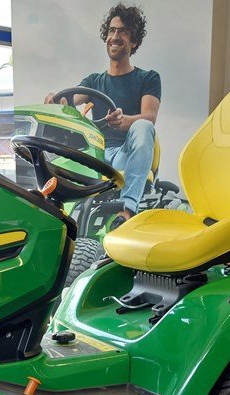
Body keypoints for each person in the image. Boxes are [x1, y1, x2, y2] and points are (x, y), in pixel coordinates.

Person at [45, 2, 161, 227]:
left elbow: (149, 117)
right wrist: (53, 99)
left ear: (134, 41)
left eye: (123, 32)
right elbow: (67, 101)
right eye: (112, 30)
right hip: (95, 154)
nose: (115, 36)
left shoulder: (148, 78)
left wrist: (124, 121)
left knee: (143, 127)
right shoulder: (93, 82)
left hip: (123, 155)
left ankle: (126, 210)